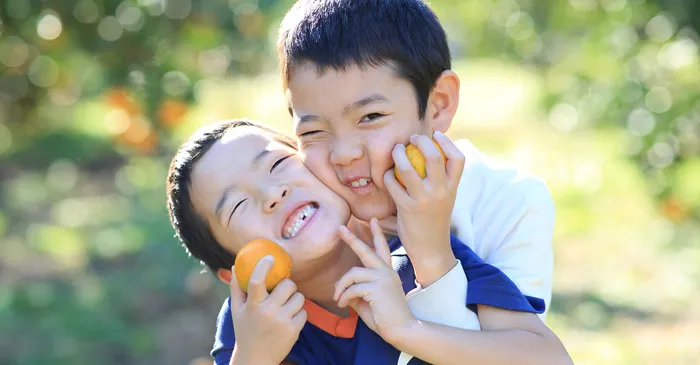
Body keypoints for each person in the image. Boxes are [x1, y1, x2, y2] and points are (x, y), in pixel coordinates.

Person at [166, 119, 572, 365]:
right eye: (237, 206)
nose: (272, 194)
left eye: (277, 164)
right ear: (233, 273)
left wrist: (407, 328)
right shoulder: (253, 328)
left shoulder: (418, 251)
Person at [279, 0, 555, 320]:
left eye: (370, 116)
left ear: (438, 105)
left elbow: (518, 348)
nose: (343, 154)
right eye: (313, 131)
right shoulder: (314, 222)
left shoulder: (511, 202)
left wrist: (431, 254)